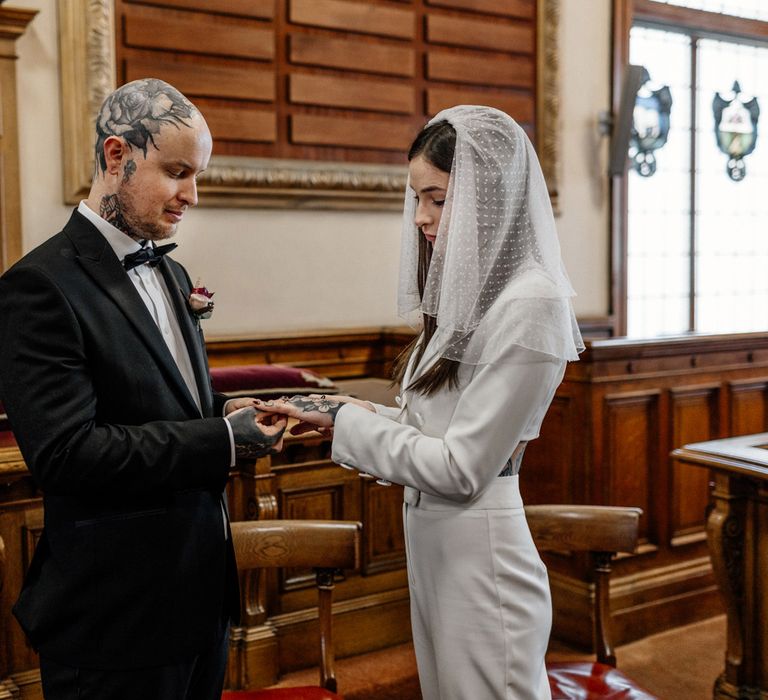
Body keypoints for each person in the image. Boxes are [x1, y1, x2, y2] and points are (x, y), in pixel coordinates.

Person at [256, 105, 584, 699]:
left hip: (482, 555)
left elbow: (459, 469)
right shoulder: (472, 297)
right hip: (438, 547)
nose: (423, 218)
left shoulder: (531, 302)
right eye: (417, 200)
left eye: (437, 198)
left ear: (488, 195)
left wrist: (345, 419)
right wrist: (329, 418)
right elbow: (427, 426)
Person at [0, 78, 287, 700]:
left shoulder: (171, 268)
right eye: (177, 171)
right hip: (115, 617)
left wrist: (226, 411)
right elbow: (66, 455)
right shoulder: (39, 286)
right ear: (116, 156)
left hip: (197, 599)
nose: (191, 195)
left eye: (197, 174)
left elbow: (169, 403)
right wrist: (221, 441)